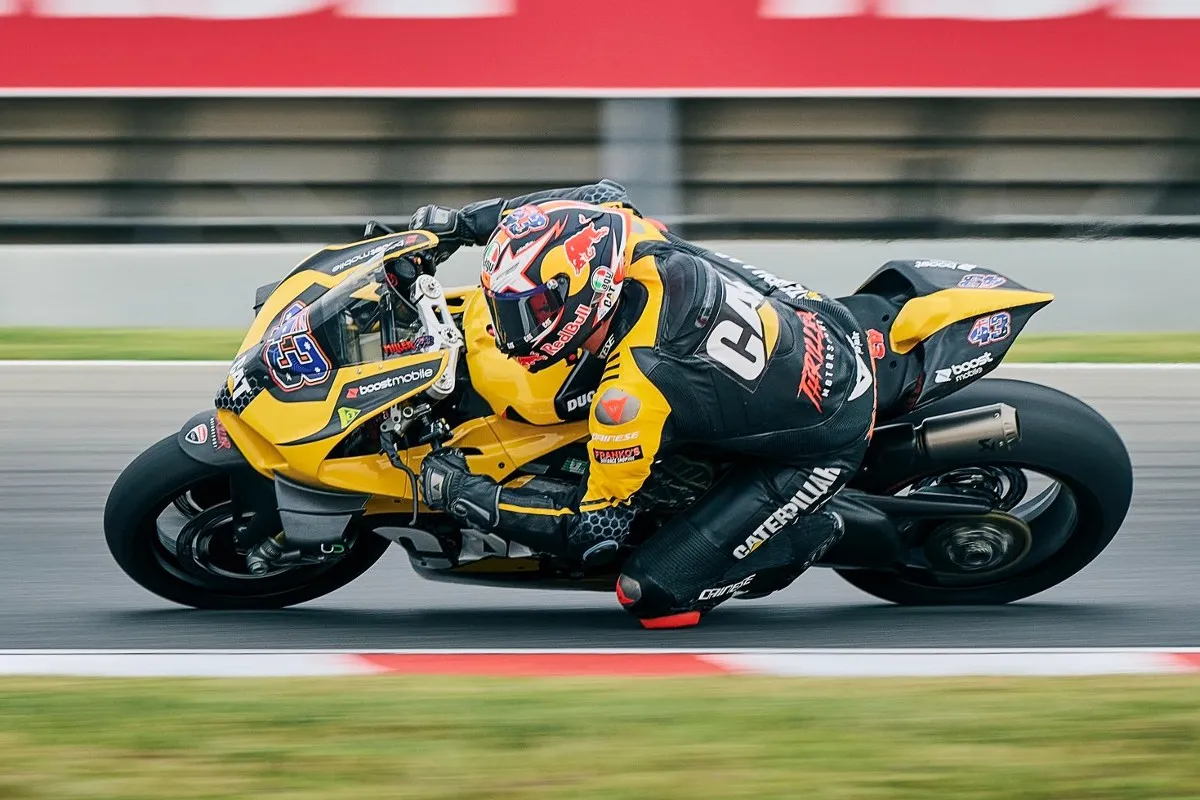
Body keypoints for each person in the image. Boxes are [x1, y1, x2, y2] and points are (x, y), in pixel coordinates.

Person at [410, 180, 877, 629]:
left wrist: (463, 494)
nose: (509, 328)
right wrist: (462, 224)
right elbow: (593, 197)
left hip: (827, 430)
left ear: (582, 296)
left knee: (651, 593)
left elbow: (592, 527)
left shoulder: (630, 394)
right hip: (819, 317)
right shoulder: (620, 231)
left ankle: (807, 531)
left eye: (529, 311)